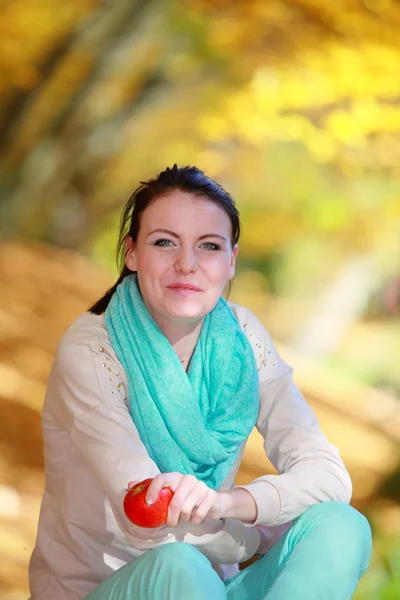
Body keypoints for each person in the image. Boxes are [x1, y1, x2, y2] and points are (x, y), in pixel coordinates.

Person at [28, 165, 372, 600]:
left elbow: (329, 476)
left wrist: (232, 503)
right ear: (132, 253)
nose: (187, 264)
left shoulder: (242, 338)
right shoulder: (93, 349)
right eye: (164, 242)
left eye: (208, 246)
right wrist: (258, 537)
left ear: (231, 260)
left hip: (212, 586)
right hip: (113, 589)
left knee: (342, 525)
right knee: (179, 564)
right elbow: (148, 517)